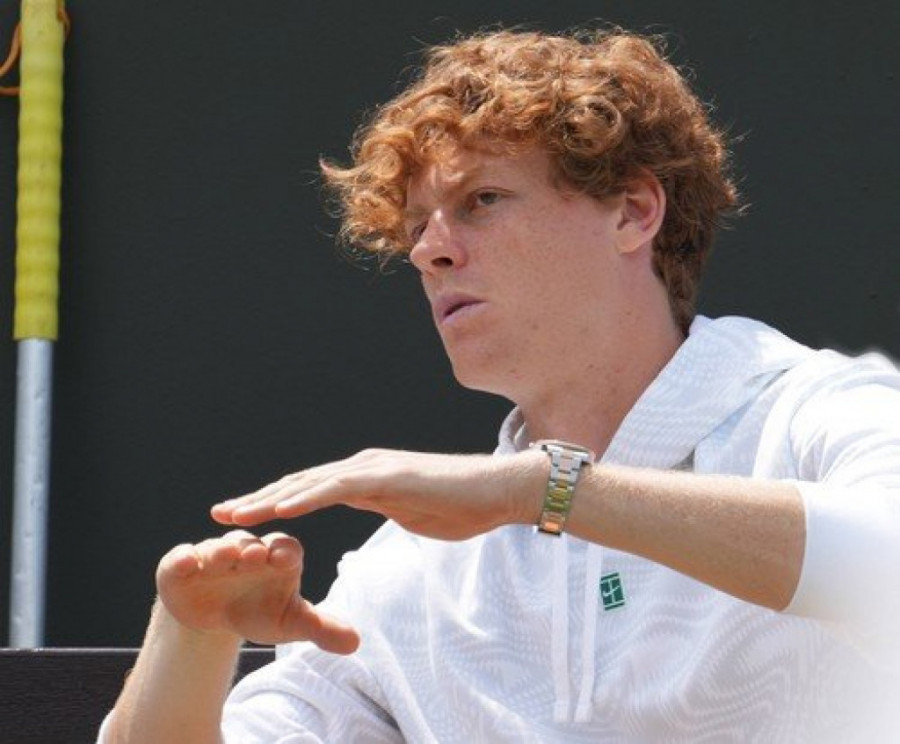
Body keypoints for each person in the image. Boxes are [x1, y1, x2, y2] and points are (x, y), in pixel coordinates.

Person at [100, 27, 900, 743]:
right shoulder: (409, 567)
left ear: (633, 211)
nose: (430, 251)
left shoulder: (814, 411)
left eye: (481, 201)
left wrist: (543, 490)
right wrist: (193, 634)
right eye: (417, 225)